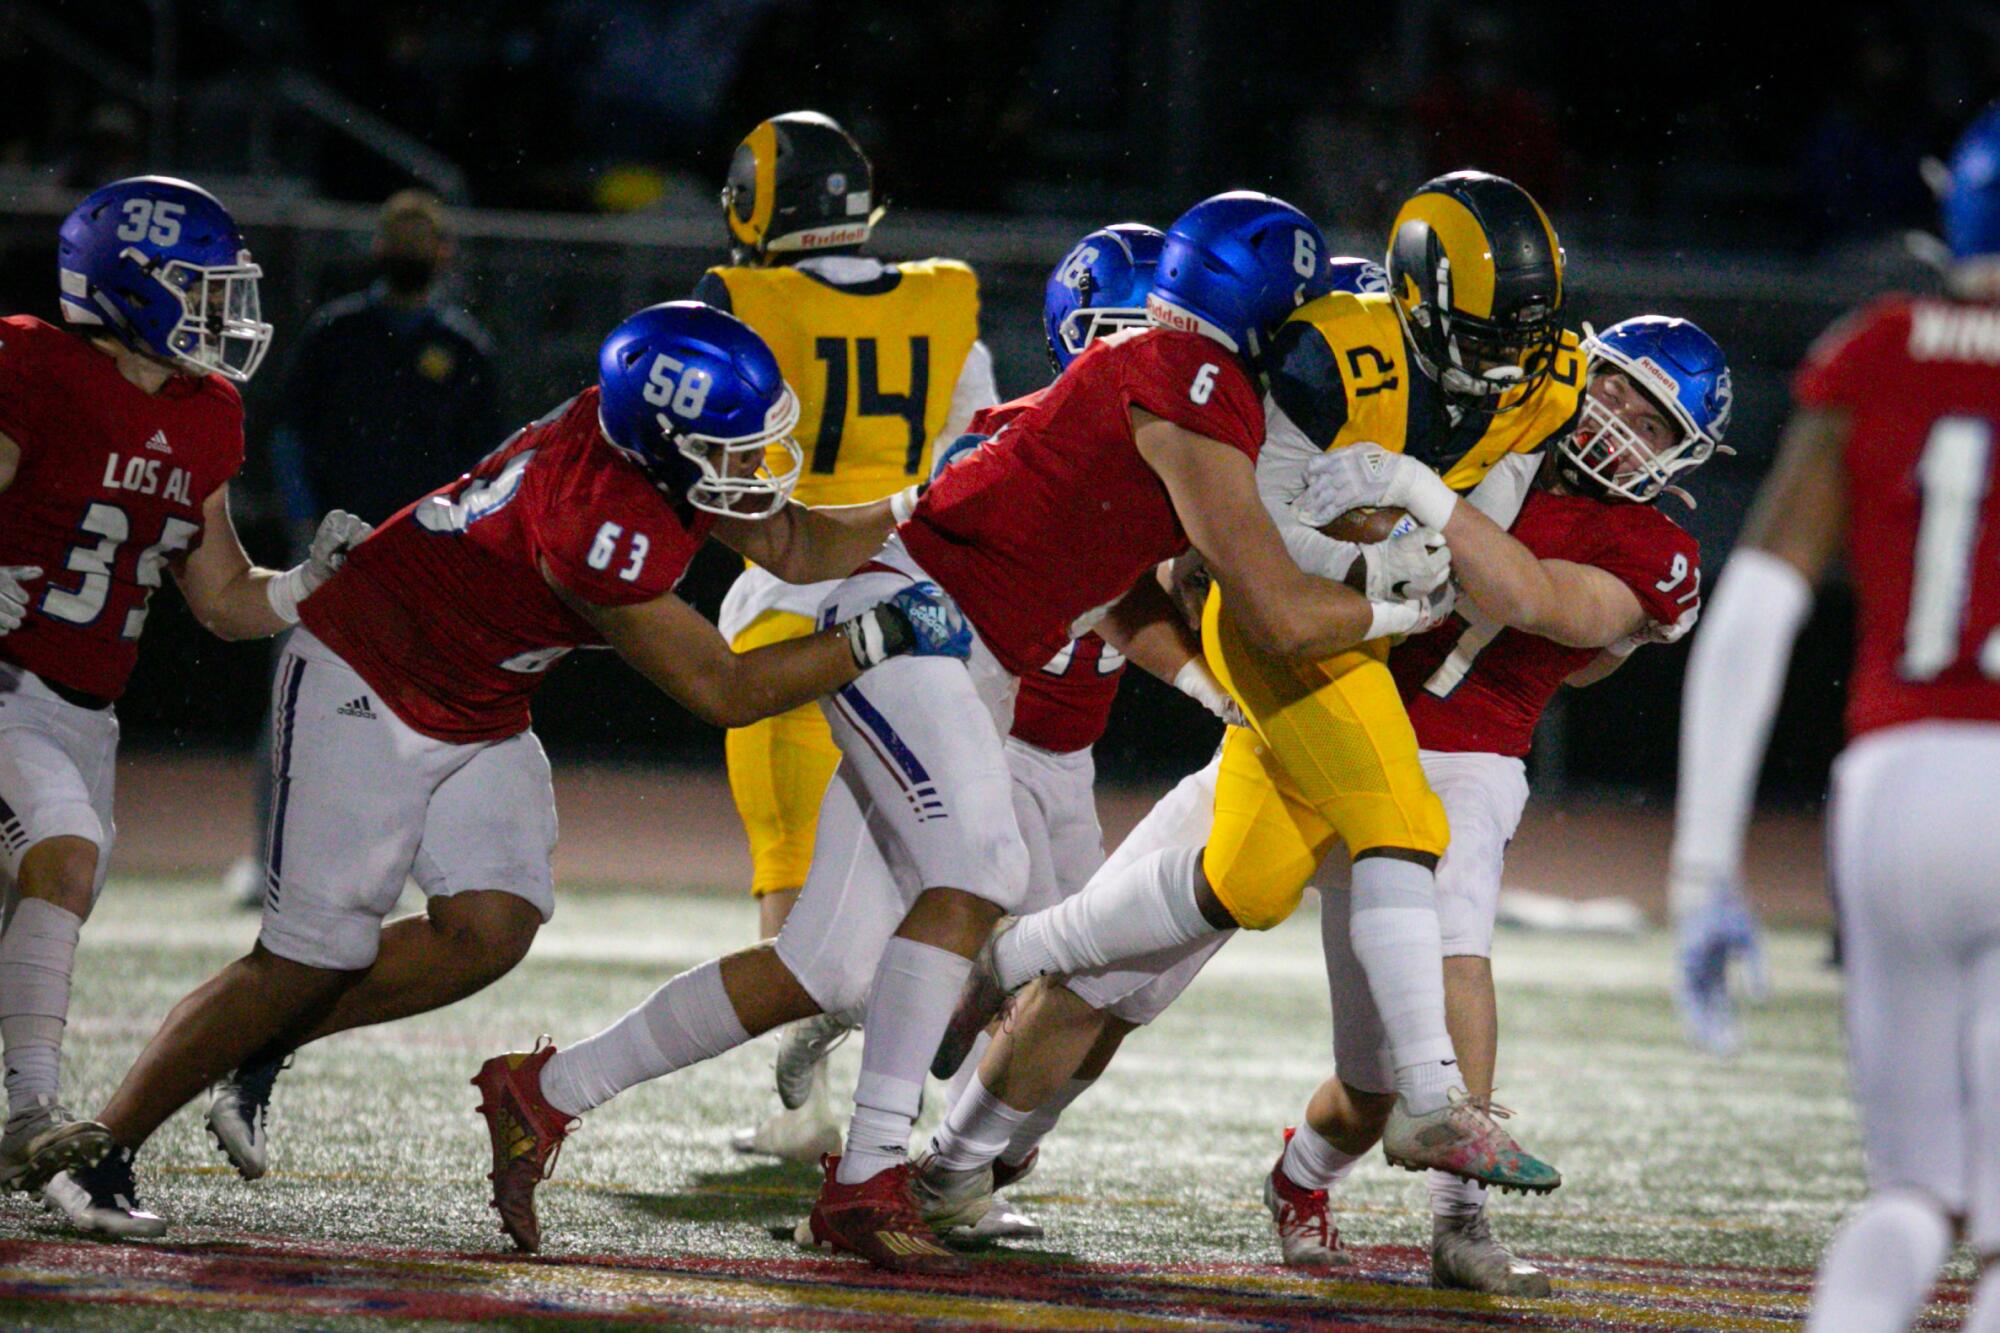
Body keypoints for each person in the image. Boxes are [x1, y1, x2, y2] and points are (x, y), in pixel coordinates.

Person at [468, 191, 1443, 1274]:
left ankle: (542, 1090)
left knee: (823, 966)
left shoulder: (1169, 388)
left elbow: (1159, 554)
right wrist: (1402, 597)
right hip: (928, 625)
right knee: (980, 861)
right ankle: (866, 1179)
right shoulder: (1188, 380)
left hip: (957, 633)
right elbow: (1268, 604)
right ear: (1263, 303)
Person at [44, 300, 969, 1238]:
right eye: (730, 449)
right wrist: (874, 637)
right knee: (308, 952)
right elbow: (721, 687)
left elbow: (790, 538)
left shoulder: (643, 453)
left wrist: (916, 508)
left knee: (492, 924)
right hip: (368, 678)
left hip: (478, 696)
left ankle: (267, 1040)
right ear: (665, 447)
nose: (756, 468)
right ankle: (99, 1149)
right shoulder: (595, 521)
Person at [934, 171, 1581, 1196]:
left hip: (1351, 622)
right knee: (1399, 819)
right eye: (1484, 329)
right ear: (1414, 302)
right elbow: (1255, 557)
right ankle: (1431, 1105)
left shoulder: (1539, 383)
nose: (1509, 357)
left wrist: (1411, 521)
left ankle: (1009, 966)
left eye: (1523, 333)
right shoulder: (1328, 358)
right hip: (1279, 617)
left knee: (1244, 884)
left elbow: (1486, 546)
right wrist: (1387, 579)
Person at [1670, 104, 2000, 1333]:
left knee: (1906, 1193)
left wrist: (1702, 867)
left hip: (1895, 783)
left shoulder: (1876, 349)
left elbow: (1751, 611)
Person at [0, 176, 365, 1192]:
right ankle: (31, 1117)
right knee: (62, 859)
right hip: (5, 685)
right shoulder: (32, 365)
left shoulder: (206, 411)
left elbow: (218, 594)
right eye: (200, 290)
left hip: (85, 716)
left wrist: (305, 586)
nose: (220, 315)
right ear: (132, 286)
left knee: (40, 897)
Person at [697, 111, 998, 1163]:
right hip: (920, 612)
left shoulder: (744, 299)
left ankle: (802, 1105)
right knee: (934, 870)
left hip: (788, 604)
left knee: (792, 870)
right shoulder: (944, 295)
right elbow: (976, 447)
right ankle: (925, 1118)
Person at [225, 188, 500, 909]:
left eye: (423, 236)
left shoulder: (466, 347)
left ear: (443, 253)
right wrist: (302, 527)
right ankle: (268, 858)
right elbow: (288, 435)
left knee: (420, 719)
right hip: (332, 555)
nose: (411, 248)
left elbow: (488, 470)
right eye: (400, 235)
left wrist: (459, 555)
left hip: (423, 563)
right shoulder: (335, 333)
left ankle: (410, 865)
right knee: (294, 705)